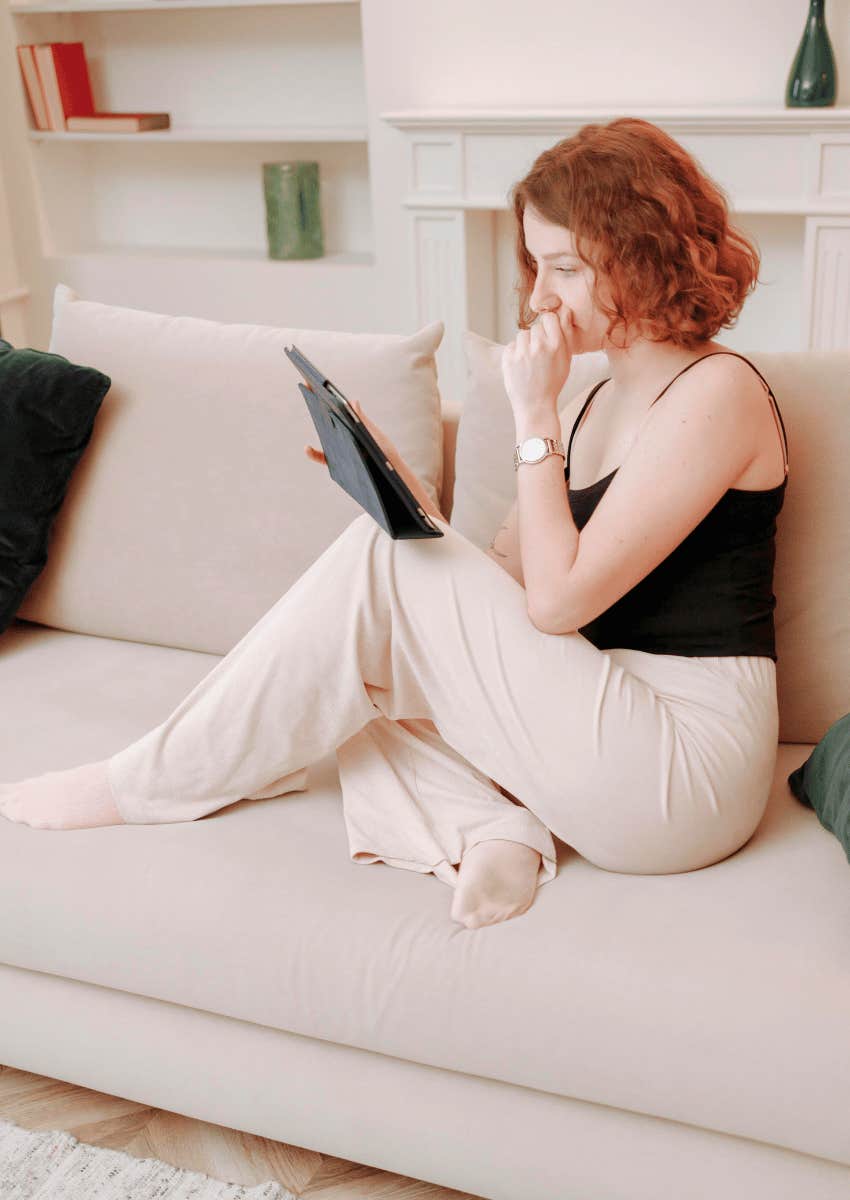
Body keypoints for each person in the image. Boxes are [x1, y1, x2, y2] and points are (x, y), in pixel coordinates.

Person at [0, 117, 789, 932]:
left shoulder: (716, 393)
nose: (538, 298)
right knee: (368, 655)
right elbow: (504, 590)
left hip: (682, 769)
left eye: (566, 268)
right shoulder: (593, 400)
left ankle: (148, 782)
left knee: (383, 582)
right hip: (593, 718)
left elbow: (557, 607)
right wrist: (417, 504)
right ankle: (490, 826)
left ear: (645, 256)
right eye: (534, 266)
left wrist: (532, 413)